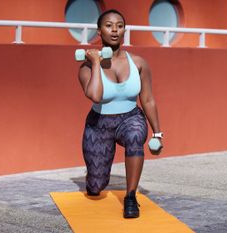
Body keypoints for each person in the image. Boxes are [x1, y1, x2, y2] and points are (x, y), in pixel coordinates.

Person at [78, 9, 163, 219]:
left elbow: (148, 99)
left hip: (130, 117)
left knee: (135, 136)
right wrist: (97, 62)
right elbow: (95, 96)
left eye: (119, 25)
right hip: (99, 124)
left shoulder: (139, 63)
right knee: (96, 186)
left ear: (124, 29)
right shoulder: (86, 66)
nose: (115, 30)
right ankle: (95, 177)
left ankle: (131, 196)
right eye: (108, 25)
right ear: (99, 31)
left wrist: (157, 134)